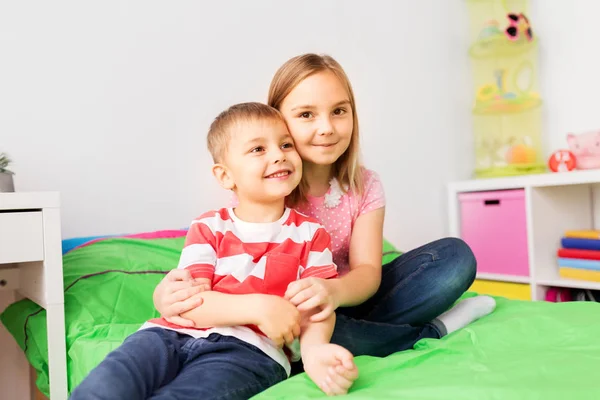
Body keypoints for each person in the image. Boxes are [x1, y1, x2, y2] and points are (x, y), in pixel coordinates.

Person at [153, 54, 496, 367]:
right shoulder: (270, 182)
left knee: (454, 258)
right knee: (311, 333)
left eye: (339, 111)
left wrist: (333, 292)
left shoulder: (364, 185)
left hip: (348, 298)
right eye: (306, 115)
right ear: (277, 120)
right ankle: (427, 331)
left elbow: (367, 272)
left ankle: (345, 339)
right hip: (295, 316)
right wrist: (171, 294)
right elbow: (226, 263)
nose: (327, 127)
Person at [69, 102, 358, 400]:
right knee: (104, 386)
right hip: (165, 336)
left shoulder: (312, 234)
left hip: (250, 352)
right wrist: (260, 308)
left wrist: (314, 353)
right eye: (258, 149)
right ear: (225, 176)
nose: (278, 155)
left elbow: (317, 308)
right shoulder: (208, 226)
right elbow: (190, 302)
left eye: (286, 145)